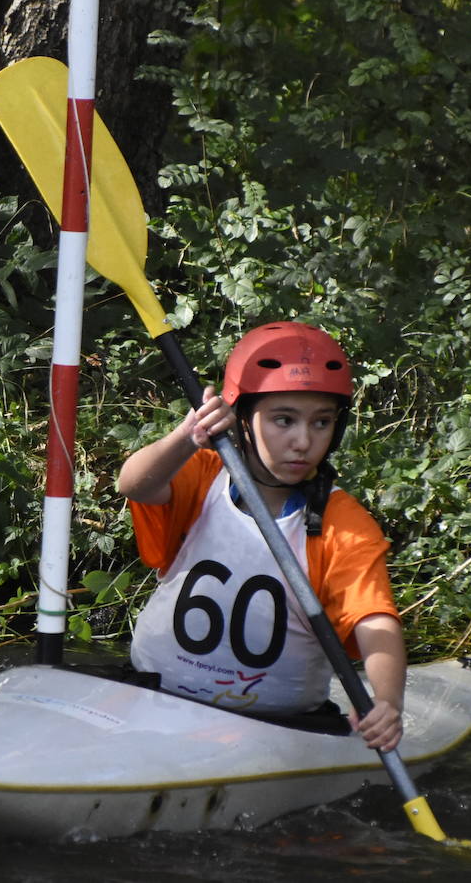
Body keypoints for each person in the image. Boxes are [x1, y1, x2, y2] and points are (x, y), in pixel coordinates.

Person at [118, 321, 406, 752]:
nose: (303, 441)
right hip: (151, 695)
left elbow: (373, 620)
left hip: (275, 726)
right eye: (283, 420)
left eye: (322, 422)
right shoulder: (202, 475)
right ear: (244, 420)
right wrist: (187, 436)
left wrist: (387, 700)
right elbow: (134, 485)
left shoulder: (342, 523)